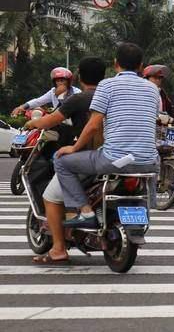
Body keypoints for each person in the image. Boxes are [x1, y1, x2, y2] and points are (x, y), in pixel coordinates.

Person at [53, 43, 161, 229]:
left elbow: (94, 125)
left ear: (115, 63)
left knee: (61, 161)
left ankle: (85, 212)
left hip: (113, 159)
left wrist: (74, 148)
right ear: (141, 66)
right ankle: (149, 205)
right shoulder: (152, 89)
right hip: (149, 162)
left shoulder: (107, 85)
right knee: (152, 160)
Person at [30, 57, 106, 264]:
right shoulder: (110, 95)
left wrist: (32, 122)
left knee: (51, 196)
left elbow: (51, 120)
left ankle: (58, 248)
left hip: (90, 159)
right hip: (117, 158)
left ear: (79, 76)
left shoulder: (80, 98)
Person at [143, 64, 174, 204]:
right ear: (147, 78)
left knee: (169, 155)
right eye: (155, 78)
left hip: (160, 129)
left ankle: (172, 189)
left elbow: (170, 108)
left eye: (160, 78)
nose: (158, 80)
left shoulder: (161, 93)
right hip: (145, 130)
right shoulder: (142, 91)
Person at [12, 67, 81, 117]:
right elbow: (38, 101)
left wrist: (60, 96)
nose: (60, 83)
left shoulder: (77, 92)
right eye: (57, 81)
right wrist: (22, 107)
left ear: (68, 82)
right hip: (58, 121)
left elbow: (68, 109)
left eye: (62, 80)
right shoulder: (53, 92)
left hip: (74, 122)